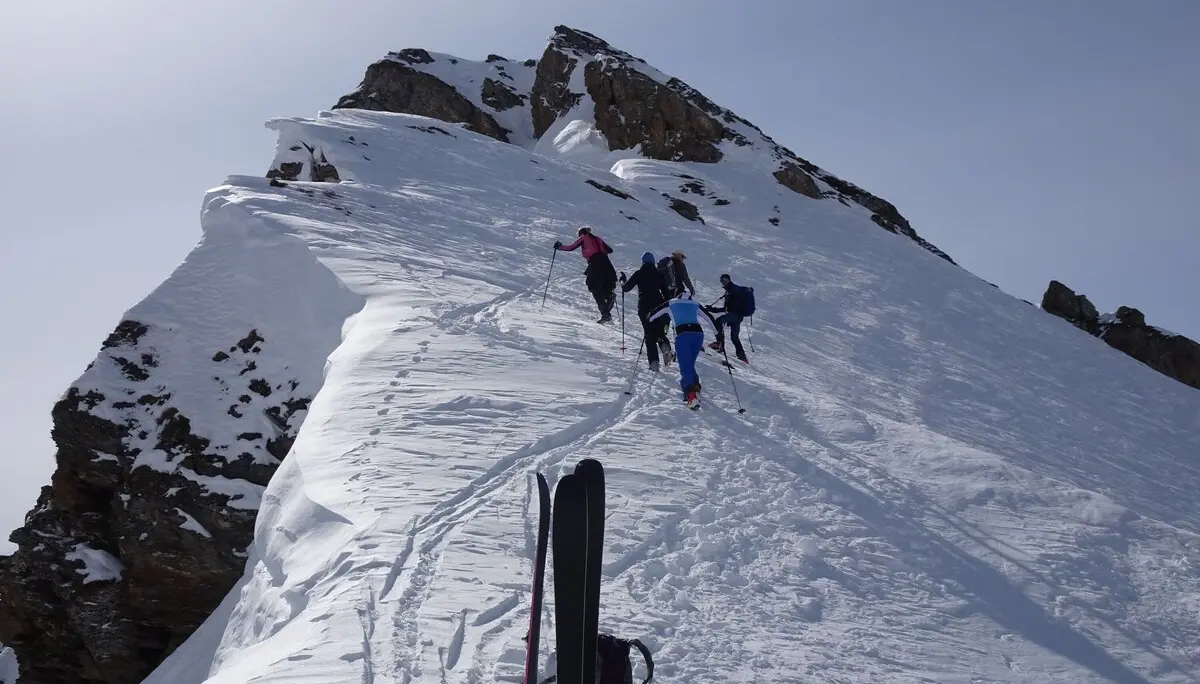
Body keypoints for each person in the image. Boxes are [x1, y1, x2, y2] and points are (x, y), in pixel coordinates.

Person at [648, 292, 720, 409]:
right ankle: (696, 386)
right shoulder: (695, 304)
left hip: (683, 335)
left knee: (685, 366)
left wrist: (649, 320)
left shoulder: (672, 303)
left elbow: (654, 314)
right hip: (698, 335)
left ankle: (690, 395)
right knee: (689, 364)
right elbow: (709, 318)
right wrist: (718, 335)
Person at [619, 252, 674, 371]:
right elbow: (667, 294)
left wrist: (623, 280)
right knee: (659, 331)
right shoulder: (659, 275)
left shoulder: (639, 273)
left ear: (643, 262)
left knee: (649, 334)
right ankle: (664, 345)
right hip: (658, 306)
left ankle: (654, 362)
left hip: (644, 307)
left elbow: (626, 288)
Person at [555, 227, 617, 323]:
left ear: (581, 233)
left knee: (592, 284)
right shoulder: (597, 239)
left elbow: (571, 247)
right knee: (603, 284)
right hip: (606, 263)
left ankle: (605, 313)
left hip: (595, 262)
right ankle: (609, 296)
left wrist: (559, 247)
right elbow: (610, 250)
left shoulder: (584, 238)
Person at [704, 273, 753, 364]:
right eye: (721, 280)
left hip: (735, 315)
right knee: (734, 337)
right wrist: (713, 310)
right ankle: (742, 356)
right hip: (738, 316)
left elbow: (729, 308)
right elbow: (728, 308)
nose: (723, 282)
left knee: (719, 321)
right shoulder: (730, 291)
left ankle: (719, 344)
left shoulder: (732, 290)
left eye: (725, 280)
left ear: (729, 280)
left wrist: (713, 310)